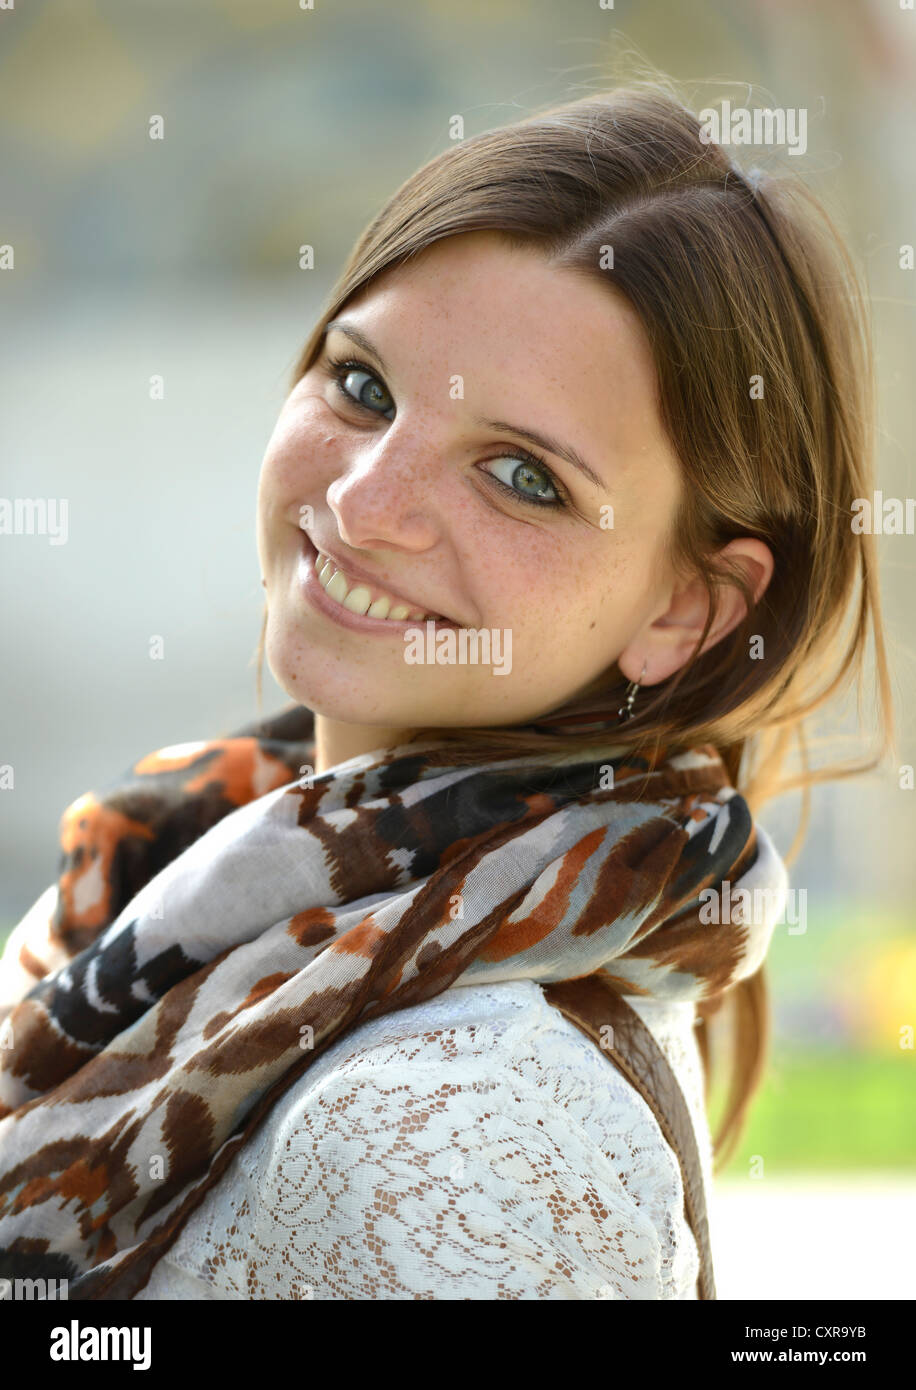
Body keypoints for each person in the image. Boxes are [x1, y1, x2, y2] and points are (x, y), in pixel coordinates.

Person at [0, 83, 890, 1300]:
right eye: (363, 385)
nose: (366, 504)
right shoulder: (162, 879)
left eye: (523, 475)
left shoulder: (455, 1135)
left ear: (685, 608)